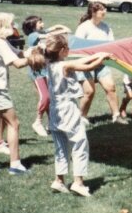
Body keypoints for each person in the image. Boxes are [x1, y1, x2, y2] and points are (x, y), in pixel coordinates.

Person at [40, 33, 112, 197]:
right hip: (67, 109)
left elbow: (79, 62)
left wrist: (97, 55)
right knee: (79, 142)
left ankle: (59, 180)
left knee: (60, 146)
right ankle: (78, 183)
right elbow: (87, 67)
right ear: (63, 50)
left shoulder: (49, 63)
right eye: (67, 49)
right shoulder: (65, 66)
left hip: (54, 110)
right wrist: (102, 58)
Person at [0, 12, 45, 175]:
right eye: (11, 24)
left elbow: (20, 53)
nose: (14, 26)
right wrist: (34, 59)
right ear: (3, 26)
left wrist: (36, 49)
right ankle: (15, 165)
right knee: (14, 124)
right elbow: (19, 63)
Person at [74, 1, 128, 125]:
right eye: (102, 10)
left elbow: (111, 45)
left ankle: (116, 116)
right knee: (89, 92)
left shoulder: (106, 27)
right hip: (86, 64)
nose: (105, 11)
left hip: (102, 64)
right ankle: (81, 118)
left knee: (111, 87)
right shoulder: (83, 27)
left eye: (105, 9)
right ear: (93, 12)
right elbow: (78, 48)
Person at [22, 15, 71, 137]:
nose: (42, 24)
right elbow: (48, 35)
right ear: (33, 26)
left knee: (50, 97)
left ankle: (51, 123)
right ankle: (37, 121)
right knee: (46, 97)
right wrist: (61, 30)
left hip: (45, 70)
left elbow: (53, 30)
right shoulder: (33, 35)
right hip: (37, 71)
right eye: (39, 22)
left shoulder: (42, 32)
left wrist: (56, 27)